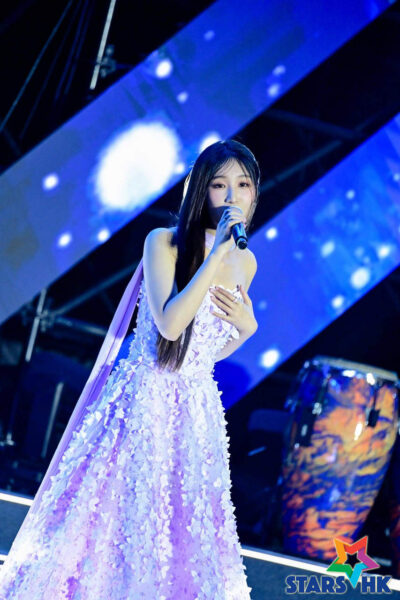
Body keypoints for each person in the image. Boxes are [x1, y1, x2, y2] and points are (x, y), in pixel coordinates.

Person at [0, 139, 260, 599]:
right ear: (202, 190)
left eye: (243, 185)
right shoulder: (163, 242)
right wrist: (216, 255)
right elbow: (170, 326)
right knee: (118, 519)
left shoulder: (247, 262)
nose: (232, 196)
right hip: (143, 400)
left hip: (195, 411)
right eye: (220, 185)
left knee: (181, 529)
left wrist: (247, 328)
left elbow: (203, 352)